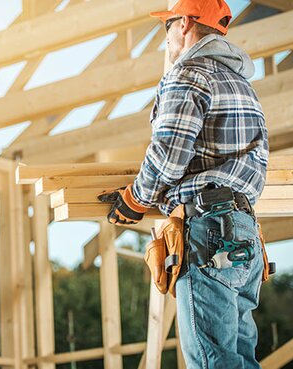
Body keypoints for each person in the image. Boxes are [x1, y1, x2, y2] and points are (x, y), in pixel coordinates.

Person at [98, 0, 269, 368]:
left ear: (186, 25)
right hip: (244, 233)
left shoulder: (188, 73)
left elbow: (169, 151)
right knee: (238, 359)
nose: (167, 40)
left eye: (168, 27)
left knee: (211, 362)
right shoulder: (243, 86)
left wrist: (134, 199)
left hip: (209, 232)